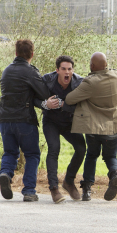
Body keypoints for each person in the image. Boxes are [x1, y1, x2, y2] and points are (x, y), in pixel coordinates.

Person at [0, 39, 59, 201]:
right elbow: (44, 93)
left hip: (4, 119)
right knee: (32, 154)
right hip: (24, 120)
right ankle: (29, 191)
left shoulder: (6, 71)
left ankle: (5, 173)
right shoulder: (30, 72)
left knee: (10, 152)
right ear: (32, 54)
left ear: (16, 53)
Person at [65, 52, 117, 201]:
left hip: (95, 128)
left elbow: (69, 99)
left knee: (92, 155)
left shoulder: (90, 83)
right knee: (111, 156)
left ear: (92, 66)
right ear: (106, 64)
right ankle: (115, 175)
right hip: (114, 126)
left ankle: (87, 189)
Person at [40, 55, 86, 203]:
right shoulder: (47, 80)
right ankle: (54, 188)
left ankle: (69, 181)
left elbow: (83, 105)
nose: (67, 72)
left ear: (73, 70)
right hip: (51, 121)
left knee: (81, 148)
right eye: (63, 69)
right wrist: (45, 104)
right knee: (54, 148)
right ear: (57, 70)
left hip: (69, 122)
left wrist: (63, 105)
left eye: (70, 69)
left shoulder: (79, 82)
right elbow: (34, 98)